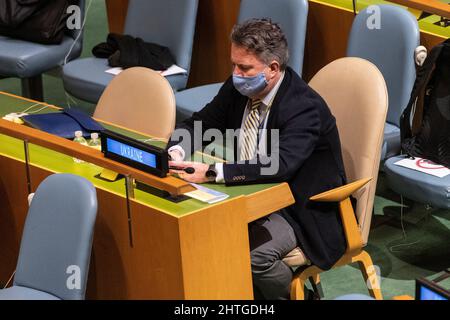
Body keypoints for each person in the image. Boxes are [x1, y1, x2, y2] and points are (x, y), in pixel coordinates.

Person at [167, 18, 346, 300]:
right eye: (234, 65)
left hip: (298, 208)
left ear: (273, 69)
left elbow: (280, 164)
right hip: (249, 193)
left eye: (244, 68)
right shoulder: (239, 88)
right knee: (192, 231)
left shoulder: (304, 107)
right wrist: (175, 153)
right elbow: (200, 123)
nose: (236, 73)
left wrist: (213, 172)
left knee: (252, 255)